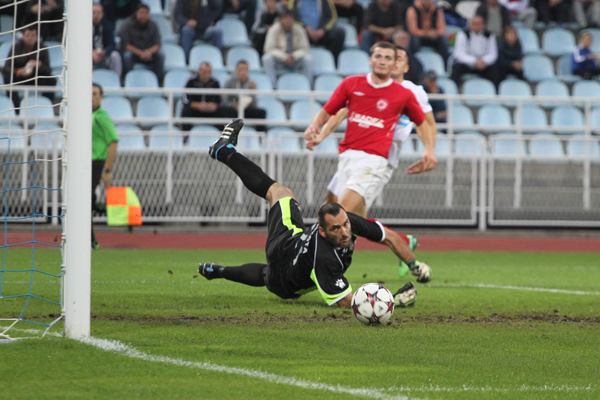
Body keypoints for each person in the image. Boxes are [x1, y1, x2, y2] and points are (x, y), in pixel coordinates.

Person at [198, 119, 430, 307]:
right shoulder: (324, 258)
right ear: (322, 231)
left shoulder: (349, 222)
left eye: (345, 225)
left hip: (290, 239)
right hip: (286, 278)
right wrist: (392, 302)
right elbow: (348, 303)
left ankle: (223, 152)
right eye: (336, 229)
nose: (344, 232)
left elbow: (390, 237)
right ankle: (220, 270)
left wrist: (413, 264)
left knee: (279, 192)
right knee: (269, 276)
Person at [310, 47, 438, 274]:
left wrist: (429, 151)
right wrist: (321, 134)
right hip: (351, 155)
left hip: (381, 158)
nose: (390, 62)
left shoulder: (411, 92)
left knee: (340, 215)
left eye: (395, 58)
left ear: (403, 66)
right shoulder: (361, 85)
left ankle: (324, 267)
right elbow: (341, 112)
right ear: (371, 60)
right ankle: (401, 242)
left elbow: (427, 122)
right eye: (382, 56)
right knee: (339, 208)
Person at [91, 83, 119, 249]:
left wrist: (107, 169)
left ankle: (91, 241)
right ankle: (116, 211)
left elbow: (113, 141)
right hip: (85, 162)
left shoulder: (101, 116)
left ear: (101, 97)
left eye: (95, 94)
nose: (91, 97)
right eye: (89, 93)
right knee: (89, 203)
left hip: (96, 163)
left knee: (86, 202)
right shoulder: (85, 115)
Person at [1, 26, 56, 108]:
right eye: (28, 35)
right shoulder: (16, 48)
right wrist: (19, 71)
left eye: (33, 35)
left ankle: (46, 106)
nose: (30, 38)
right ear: (23, 36)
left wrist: (39, 64)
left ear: (37, 36)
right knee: (8, 78)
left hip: (36, 77)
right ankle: (15, 108)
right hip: (20, 78)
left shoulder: (42, 49)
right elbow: (6, 68)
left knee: (51, 80)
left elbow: (48, 70)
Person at [262, 8, 313, 87]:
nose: (287, 20)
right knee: (267, 58)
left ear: (293, 19)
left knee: (308, 59)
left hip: (295, 60)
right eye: (285, 18)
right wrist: (284, 57)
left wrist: (294, 56)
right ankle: (272, 87)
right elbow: (268, 49)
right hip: (280, 60)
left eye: (289, 17)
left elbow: (305, 49)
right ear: (280, 20)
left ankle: (307, 87)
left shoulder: (300, 30)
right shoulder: (273, 30)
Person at [181, 62, 235, 131]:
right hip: (195, 110)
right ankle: (185, 135)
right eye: (204, 72)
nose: (206, 74)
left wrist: (214, 105)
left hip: (210, 111)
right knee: (185, 111)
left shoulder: (215, 83)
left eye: (208, 72)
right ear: (199, 71)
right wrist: (197, 105)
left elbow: (219, 100)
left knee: (223, 112)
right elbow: (185, 99)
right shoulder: (191, 82)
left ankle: (223, 135)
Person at [118, 3, 165, 81]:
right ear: (136, 13)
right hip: (134, 54)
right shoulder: (127, 24)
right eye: (141, 13)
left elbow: (157, 45)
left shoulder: (153, 25)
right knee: (127, 56)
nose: (143, 16)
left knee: (160, 56)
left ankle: (157, 81)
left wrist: (148, 52)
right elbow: (126, 45)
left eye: (146, 13)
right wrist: (141, 53)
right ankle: (127, 79)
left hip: (149, 54)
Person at [450, 15, 498, 87]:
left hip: (483, 64)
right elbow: (459, 53)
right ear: (470, 24)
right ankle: (453, 89)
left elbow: (493, 54)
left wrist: (484, 61)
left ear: (484, 25)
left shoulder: (490, 36)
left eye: (479, 24)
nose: (477, 26)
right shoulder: (463, 34)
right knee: (456, 67)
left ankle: (494, 91)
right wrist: (474, 61)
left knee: (495, 70)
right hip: (467, 64)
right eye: (475, 24)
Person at [222, 60, 267, 131]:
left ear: (248, 71)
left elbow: (254, 105)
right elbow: (224, 101)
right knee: (223, 111)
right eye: (240, 69)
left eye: (245, 70)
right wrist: (233, 105)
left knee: (261, 113)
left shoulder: (251, 83)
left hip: (246, 109)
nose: (243, 72)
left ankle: (261, 136)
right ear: (237, 71)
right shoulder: (229, 82)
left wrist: (253, 91)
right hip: (233, 109)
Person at [405, 0, 450, 65]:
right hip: (419, 36)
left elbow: (442, 30)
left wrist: (435, 33)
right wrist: (426, 33)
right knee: (414, 40)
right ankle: (412, 63)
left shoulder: (437, 10)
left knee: (443, 40)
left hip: (433, 36)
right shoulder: (412, 9)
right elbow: (412, 30)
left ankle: (445, 64)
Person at [93, 3, 123, 77]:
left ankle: (116, 79)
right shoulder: (84, 26)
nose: (96, 15)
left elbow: (112, 44)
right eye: (94, 12)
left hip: (104, 55)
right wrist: (92, 52)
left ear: (102, 14)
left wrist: (104, 51)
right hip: (90, 55)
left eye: (98, 13)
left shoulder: (107, 25)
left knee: (115, 55)